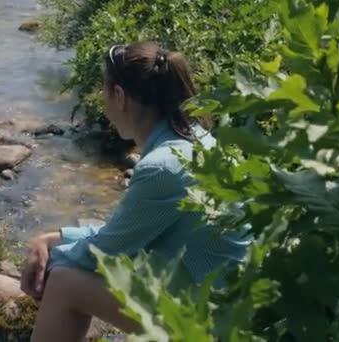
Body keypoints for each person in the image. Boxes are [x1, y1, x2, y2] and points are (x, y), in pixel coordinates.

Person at [20, 42, 251, 341]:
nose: (104, 108)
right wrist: (54, 238)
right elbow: (126, 233)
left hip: (216, 326)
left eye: (105, 94)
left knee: (63, 281)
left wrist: (49, 260)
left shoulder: (162, 167)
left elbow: (104, 254)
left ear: (119, 96)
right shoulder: (197, 139)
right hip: (232, 306)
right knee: (66, 268)